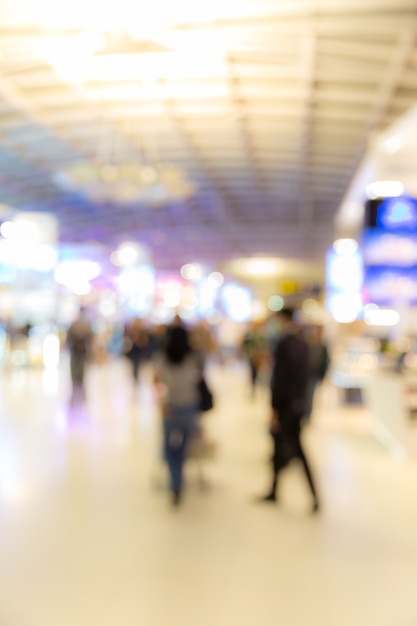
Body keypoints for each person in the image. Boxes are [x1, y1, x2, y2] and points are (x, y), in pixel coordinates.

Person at [258, 308, 320, 513]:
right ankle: (277, 490)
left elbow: (280, 379)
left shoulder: (285, 344)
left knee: (292, 450)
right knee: (285, 449)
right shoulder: (303, 343)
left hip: (286, 407)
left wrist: (275, 408)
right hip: (297, 405)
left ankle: (308, 495)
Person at [154, 325, 203, 507]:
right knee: (183, 447)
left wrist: (163, 401)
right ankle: (178, 479)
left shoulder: (163, 357)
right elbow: (198, 380)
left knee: (168, 447)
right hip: (189, 407)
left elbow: (158, 381)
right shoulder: (193, 356)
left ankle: (175, 480)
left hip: (170, 408)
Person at [67, 308, 93, 406]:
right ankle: (80, 391)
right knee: (80, 371)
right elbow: (90, 340)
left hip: (76, 352)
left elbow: (69, 339)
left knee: (75, 371)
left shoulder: (74, 324)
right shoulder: (86, 325)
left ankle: (76, 390)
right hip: (81, 352)